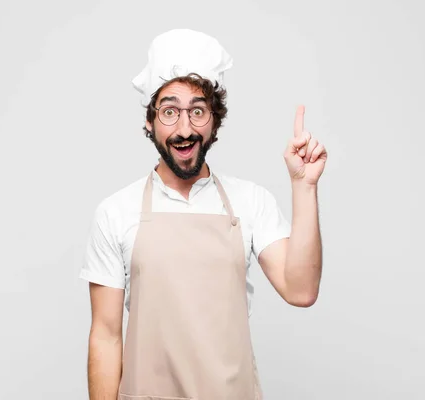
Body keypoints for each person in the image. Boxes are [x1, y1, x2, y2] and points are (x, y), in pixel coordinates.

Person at [80, 29, 327, 400]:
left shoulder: (250, 201)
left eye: (197, 111)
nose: (184, 128)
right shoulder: (116, 212)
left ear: (214, 120)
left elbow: (301, 289)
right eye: (169, 111)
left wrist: (304, 187)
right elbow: (105, 334)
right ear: (149, 122)